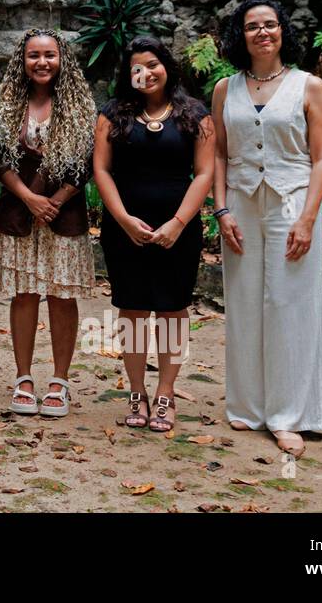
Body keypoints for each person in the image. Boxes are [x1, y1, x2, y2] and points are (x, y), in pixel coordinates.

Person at [213, 0, 322, 458]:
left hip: (292, 204)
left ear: (283, 31)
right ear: (239, 35)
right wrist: (221, 211)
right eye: (251, 26)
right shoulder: (226, 88)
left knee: (288, 302)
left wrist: (307, 218)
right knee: (244, 302)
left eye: (270, 24)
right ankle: (247, 405)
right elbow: (220, 154)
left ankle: (289, 415)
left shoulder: (309, 86)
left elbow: (321, 157)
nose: (262, 32)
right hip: (241, 203)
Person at [92, 36, 215, 433]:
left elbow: (205, 173)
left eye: (153, 63)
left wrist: (178, 223)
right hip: (124, 229)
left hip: (178, 230)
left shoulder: (195, 115)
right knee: (132, 311)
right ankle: (135, 391)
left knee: (172, 311)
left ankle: (165, 391)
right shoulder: (112, 115)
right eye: (136, 67)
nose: (146, 72)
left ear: (167, 65)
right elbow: (102, 171)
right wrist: (124, 219)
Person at [0, 30, 97, 418]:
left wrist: (55, 200)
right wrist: (30, 198)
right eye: (33, 55)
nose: (41, 62)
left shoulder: (80, 107)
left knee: (62, 295)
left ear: (61, 59)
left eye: (49, 55)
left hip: (63, 213)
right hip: (19, 211)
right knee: (24, 294)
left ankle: (59, 381)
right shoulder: (6, 104)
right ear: (22, 60)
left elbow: (85, 161)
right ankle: (22, 378)